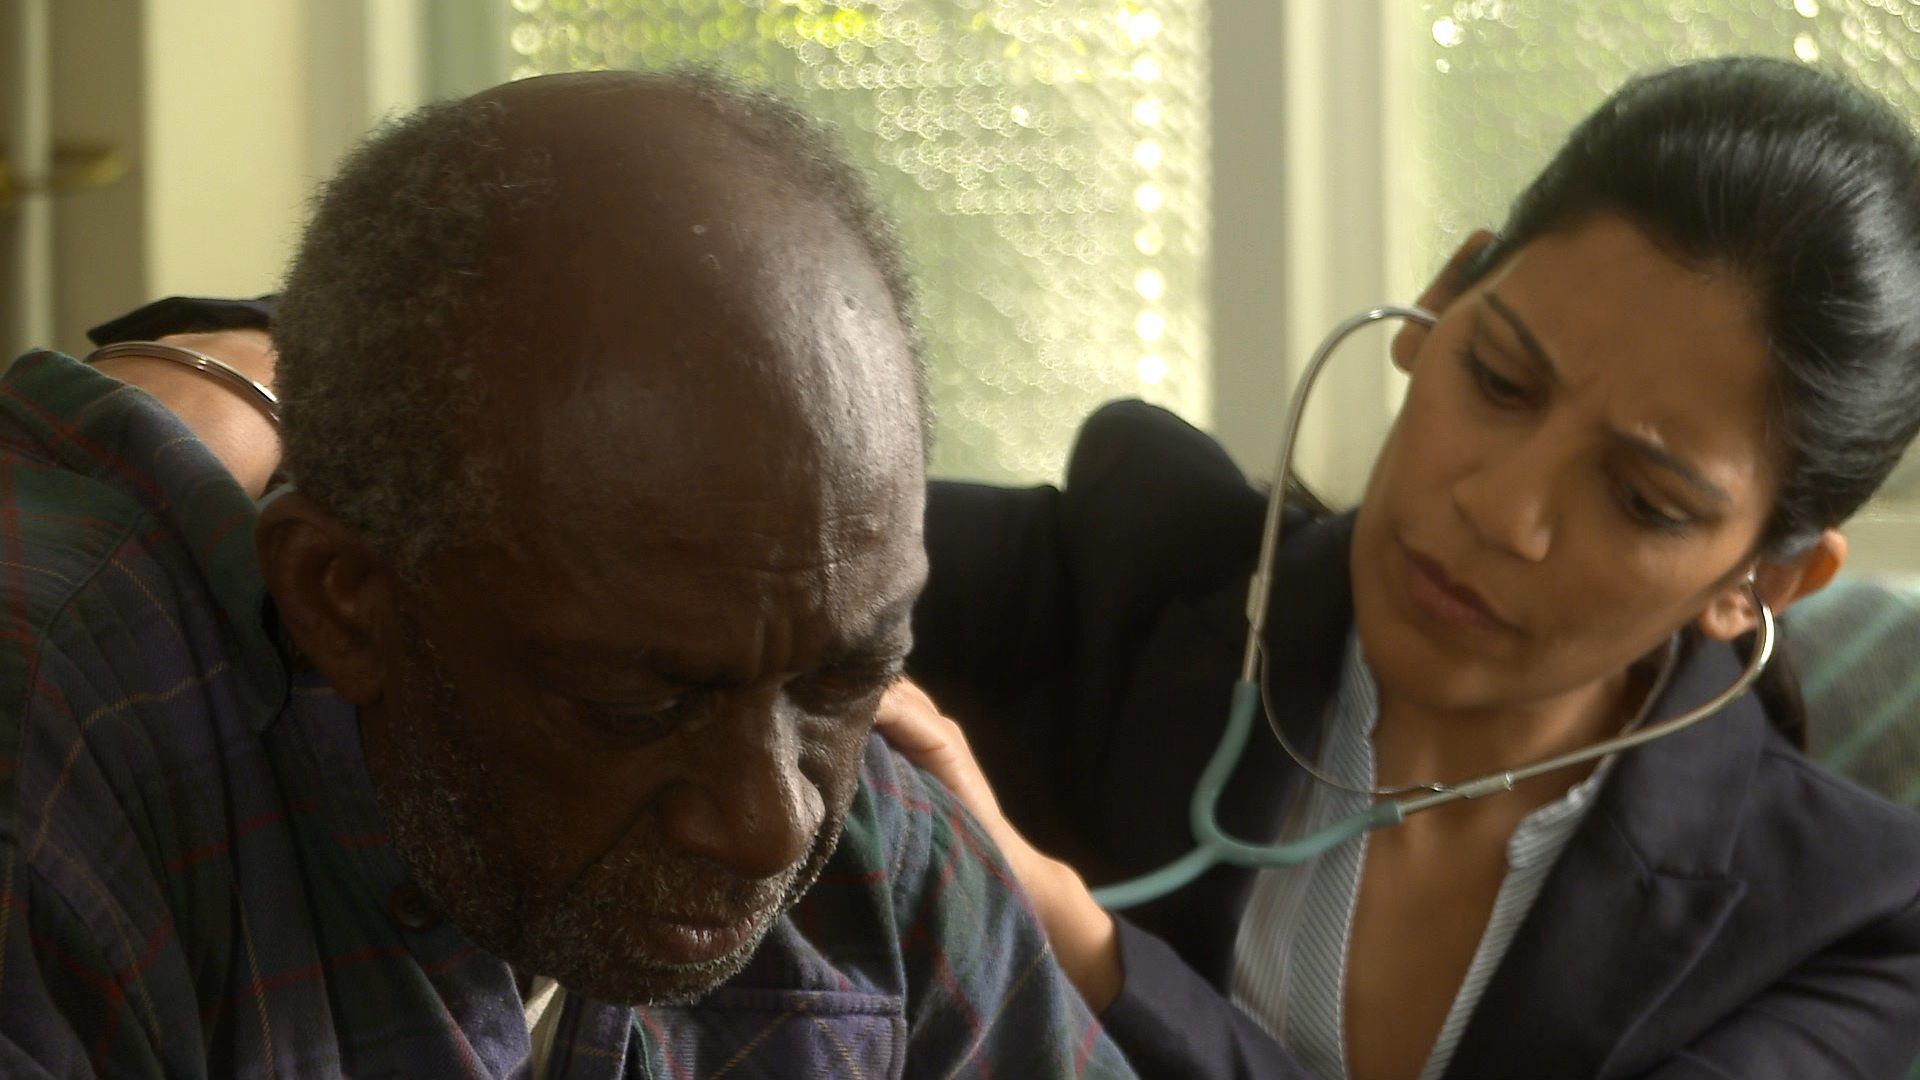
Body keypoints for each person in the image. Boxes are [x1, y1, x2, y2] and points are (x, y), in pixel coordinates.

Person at [0, 72, 1139, 1077]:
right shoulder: (64, 773)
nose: (769, 825)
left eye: (845, 676)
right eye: (638, 702)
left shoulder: (873, 853)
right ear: (342, 597)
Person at [884, 57, 1920, 1078]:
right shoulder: (1124, 570)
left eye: (1643, 500)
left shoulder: (1856, 925)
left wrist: (1085, 953)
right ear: (1440, 299)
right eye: (1499, 380)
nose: (1501, 510)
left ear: (1763, 584)